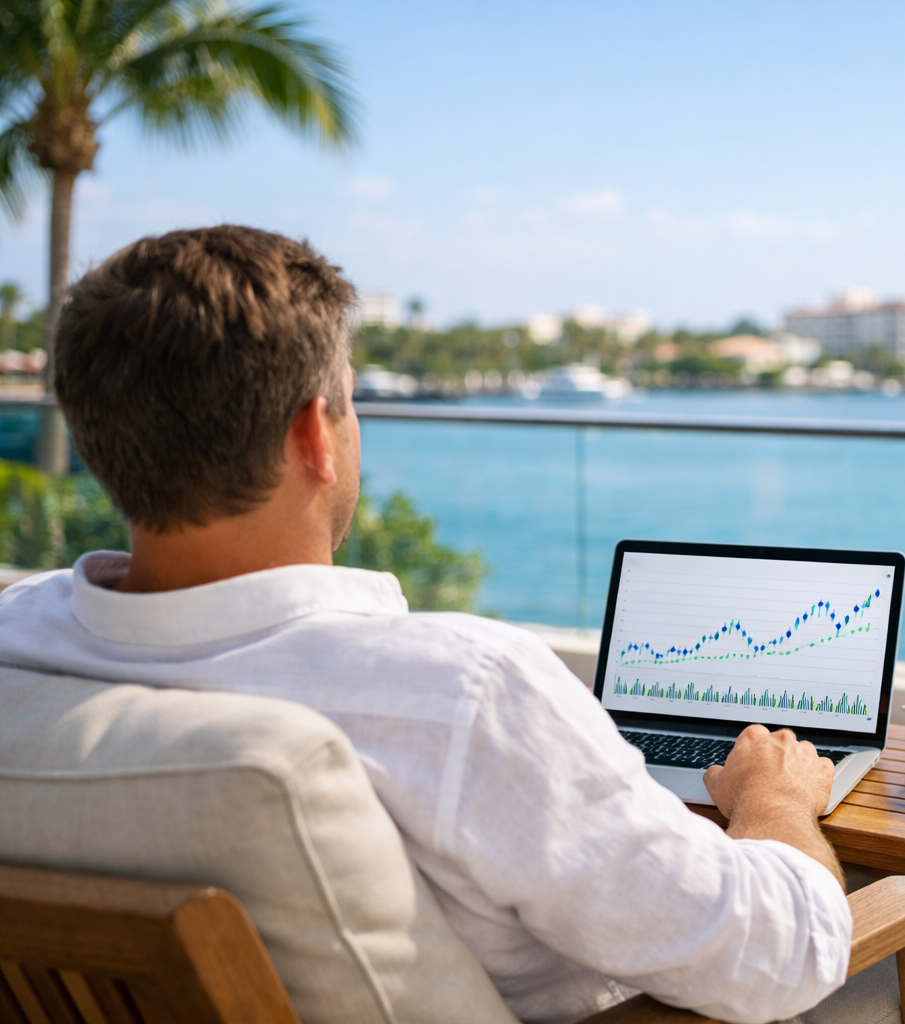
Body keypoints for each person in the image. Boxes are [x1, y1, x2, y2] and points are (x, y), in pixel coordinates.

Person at [0, 227, 852, 1024]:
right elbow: (785, 956)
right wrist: (774, 801)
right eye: (346, 403)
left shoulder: (18, 640)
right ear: (313, 436)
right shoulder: (463, 698)